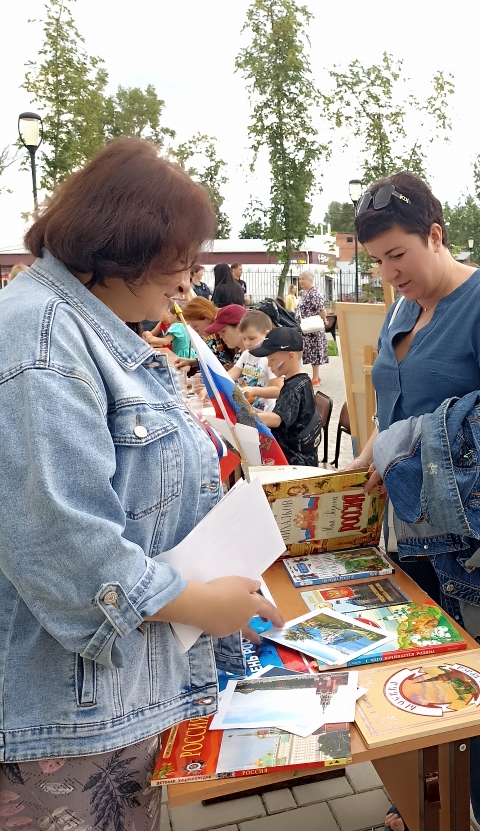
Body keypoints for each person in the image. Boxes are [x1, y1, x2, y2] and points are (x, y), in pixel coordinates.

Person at [0, 138, 283, 821]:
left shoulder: (72, 324)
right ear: (122, 247)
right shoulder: (43, 341)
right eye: (177, 264)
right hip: (68, 716)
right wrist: (200, 604)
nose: (186, 287)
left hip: (101, 698)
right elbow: (64, 542)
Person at [346, 171, 480, 831]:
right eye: (377, 261)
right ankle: (421, 804)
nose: (389, 273)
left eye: (398, 255)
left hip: (469, 523)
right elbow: (394, 406)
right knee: (416, 667)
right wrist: (368, 454)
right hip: (409, 521)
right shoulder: (404, 306)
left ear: (435, 235)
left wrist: (406, 445)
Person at [250, 327, 322, 467]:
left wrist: (242, 417)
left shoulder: (293, 388)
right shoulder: (302, 381)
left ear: (290, 356)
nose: (269, 365)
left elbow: (276, 420)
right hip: (301, 458)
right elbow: (281, 415)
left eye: (272, 359)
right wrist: (250, 410)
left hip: (294, 462)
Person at [229, 309, 284, 411]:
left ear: (266, 335)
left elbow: (278, 390)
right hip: (246, 410)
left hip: (265, 414)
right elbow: (232, 374)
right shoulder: (246, 354)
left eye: (251, 338)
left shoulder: (271, 358)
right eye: (244, 338)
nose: (247, 343)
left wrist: (254, 391)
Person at [177, 296, 238, 370]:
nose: (196, 331)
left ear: (207, 318)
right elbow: (215, 361)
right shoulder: (211, 335)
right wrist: (192, 362)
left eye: (195, 326)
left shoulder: (226, 332)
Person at [297, 270, 328, 386]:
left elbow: (321, 309)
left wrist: (324, 320)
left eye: (303, 279)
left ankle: (315, 378)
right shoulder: (305, 293)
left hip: (313, 329)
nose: (300, 281)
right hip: (307, 329)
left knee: (314, 352)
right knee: (310, 352)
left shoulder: (313, 293)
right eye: (300, 279)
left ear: (310, 280)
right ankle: (316, 377)